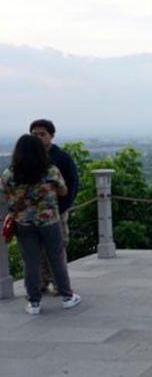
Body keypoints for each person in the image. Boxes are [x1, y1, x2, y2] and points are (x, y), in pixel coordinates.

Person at [0, 134, 81, 315]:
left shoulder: (9, 174)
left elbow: (3, 194)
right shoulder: (50, 171)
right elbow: (63, 190)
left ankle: (34, 302)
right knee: (56, 259)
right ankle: (67, 297)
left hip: (23, 223)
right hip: (49, 221)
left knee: (30, 262)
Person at [29, 119, 79, 294]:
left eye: (42, 134)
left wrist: (64, 206)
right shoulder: (26, 157)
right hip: (31, 213)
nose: (38, 137)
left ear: (51, 136)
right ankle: (41, 283)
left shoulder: (61, 158)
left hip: (56, 211)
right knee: (36, 250)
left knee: (57, 249)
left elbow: (72, 183)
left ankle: (60, 285)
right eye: (34, 134)